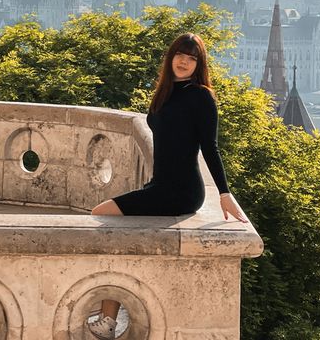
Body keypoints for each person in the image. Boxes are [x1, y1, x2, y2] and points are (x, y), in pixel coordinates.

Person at [87, 32, 247, 340]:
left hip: (181, 191)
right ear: (170, 57)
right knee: (115, 231)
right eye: (179, 55)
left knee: (102, 214)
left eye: (191, 57)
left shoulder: (201, 96)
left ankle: (109, 317)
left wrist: (225, 194)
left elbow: (210, 148)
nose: (184, 61)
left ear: (199, 64)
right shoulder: (166, 92)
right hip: (160, 186)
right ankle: (109, 312)